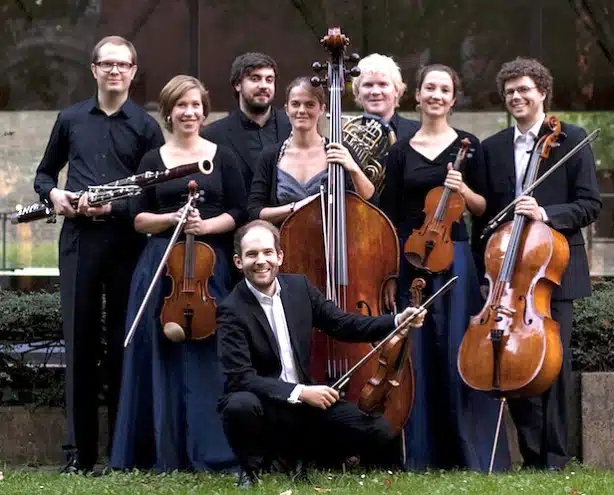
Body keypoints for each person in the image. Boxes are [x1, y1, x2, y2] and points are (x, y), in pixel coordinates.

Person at [33, 35, 164, 473]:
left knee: (121, 348)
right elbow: (44, 173)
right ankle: (78, 455)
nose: (114, 71)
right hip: (78, 241)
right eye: (106, 63)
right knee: (80, 346)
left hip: (126, 242)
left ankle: (124, 452)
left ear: (132, 71)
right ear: (94, 69)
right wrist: (53, 194)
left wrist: (115, 206)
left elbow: (151, 191)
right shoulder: (70, 119)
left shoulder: (145, 126)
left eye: (122, 65)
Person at [216, 219, 426, 488]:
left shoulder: (299, 288)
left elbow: (343, 324)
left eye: (268, 252)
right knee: (238, 404)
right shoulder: (231, 310)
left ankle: (303, 459)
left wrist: (397, 321)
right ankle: (251, 468)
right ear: (237, 261)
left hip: (303, 409)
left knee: (378, 431)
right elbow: (240, 378)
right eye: (252, 254)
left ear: (279, 256)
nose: (261, 261)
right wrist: (301, 392)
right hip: (265, 406)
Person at [110, 75, 246, 472]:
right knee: (160, 356)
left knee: (209, 356)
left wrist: (205, 227)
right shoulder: (153, 160)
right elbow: (137, 219)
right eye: (181, 106)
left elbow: (240, 212)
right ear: (168, 112)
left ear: (205, 111)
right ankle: (160, 450)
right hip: (161, 268)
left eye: (196, 105)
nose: (189, 112)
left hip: (208, 268)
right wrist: (173, 217)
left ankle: (212, 447)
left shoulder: (223, 156)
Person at [379, 64, 511, 471]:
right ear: (416, 96)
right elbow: (389, 212)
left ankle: (468, 453)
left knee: (458, 351)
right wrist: (393, 268)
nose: (436, 95)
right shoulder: (400, 150)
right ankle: (420, 453)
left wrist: (463, 189)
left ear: (453, 99)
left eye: (444, 89)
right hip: (412, 260)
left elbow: (485, 207)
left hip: (455, 260)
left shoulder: (470, 146)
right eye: (429, 88)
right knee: (415, 356)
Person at [474, 57, 601, 470]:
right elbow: (486, 215)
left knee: (555, 368)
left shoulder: (572, 140)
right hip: (507, 276)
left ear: (542, 91)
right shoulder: (492, 148)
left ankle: (556, 458)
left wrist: (546, 214)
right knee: (515, 363)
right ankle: (531, 456)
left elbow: (589, 205)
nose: (517, 97)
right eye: (510, 92)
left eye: (524, 89)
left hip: (553, 271)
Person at [247, 77, 376, 224]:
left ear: (321, 109)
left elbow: (370, 202)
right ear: (287, 109)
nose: (302, 110)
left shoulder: (340, 150)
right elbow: (255, 211)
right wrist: (295, 207)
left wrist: (354, 169)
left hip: (333, 243)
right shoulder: (270, 156)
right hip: (283, 241)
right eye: (295, 104)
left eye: (310, 104)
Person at [201, 52, 292, 193]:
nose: (263, 86)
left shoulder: (293, 128)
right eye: (255, 79)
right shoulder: (213, 136)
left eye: (269, 80)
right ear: (238, 84)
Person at [352, 53, 420, 141]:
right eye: (368, 85)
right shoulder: (346, 140)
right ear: (358, 93)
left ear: (397, 90)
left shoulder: (418, 133)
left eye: (383, 84)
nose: (375, 92)